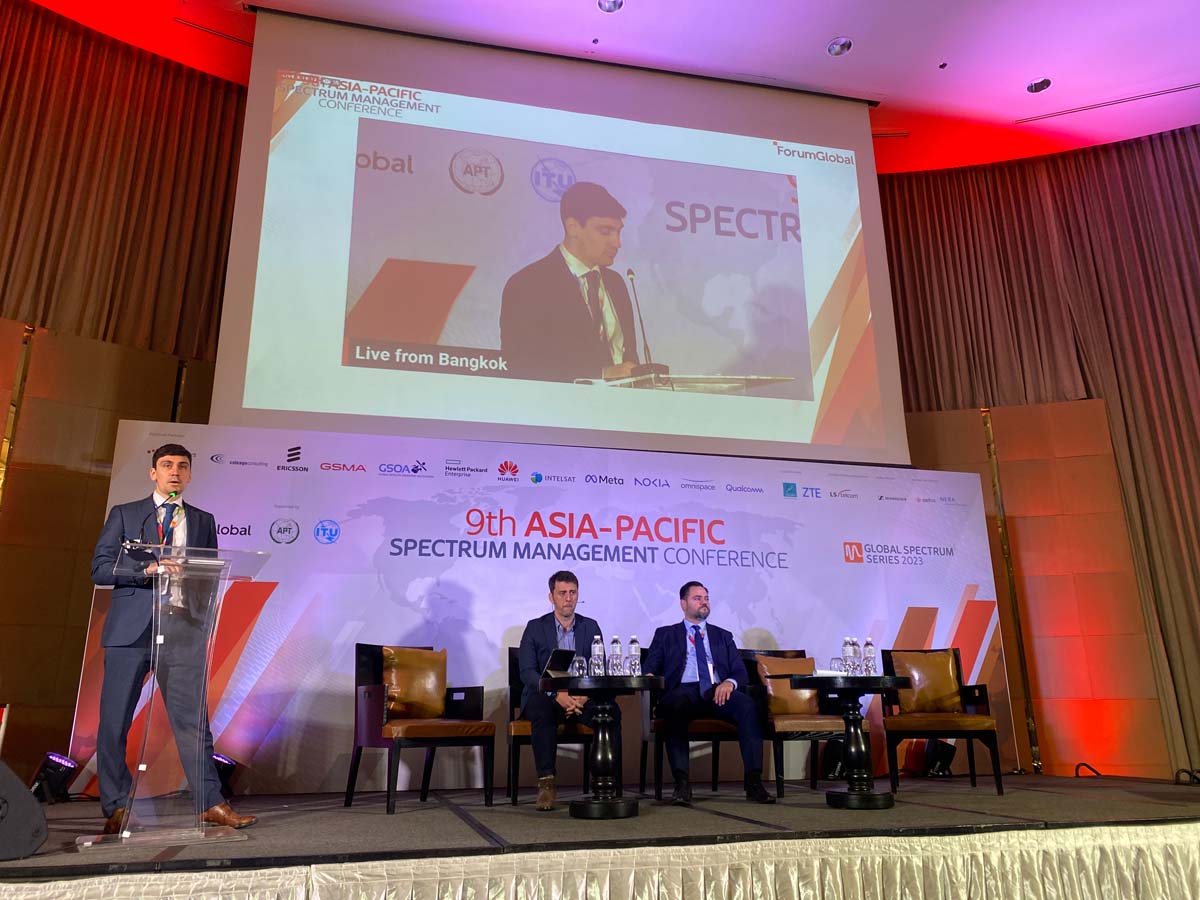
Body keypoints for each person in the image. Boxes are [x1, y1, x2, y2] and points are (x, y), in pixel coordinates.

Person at [90, 443, 256, 834]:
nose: (174, 471)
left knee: (193, 724)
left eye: (182, 466)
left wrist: (201, 617)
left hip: (182, 632)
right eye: (167, 465)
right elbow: (100, 568)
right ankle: (117, 806)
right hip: (131, 633)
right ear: (154, 473)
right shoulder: (126, 514)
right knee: (114, 722)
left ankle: (210, 803)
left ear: (190, 474)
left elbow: (208, 575)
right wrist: (148, 569)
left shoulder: (202, 520)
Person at [644, 581, 774, 805]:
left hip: (717, 691)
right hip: (683, 691)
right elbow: (650, 668)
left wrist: (729, 683)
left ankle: (754, 783)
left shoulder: (723, 636)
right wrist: (648, 676)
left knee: (747, 706)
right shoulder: (666, 634)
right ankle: (682, 784)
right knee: (675, 706)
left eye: (706, 598)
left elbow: (739, 671)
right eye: (697, 598)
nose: (704, 602)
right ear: (683, 604)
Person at [500, 181, 640, 383]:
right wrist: (600, 374)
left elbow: (627, 357)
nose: (617, 243)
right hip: (558, 402)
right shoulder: (527, 284)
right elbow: (521, 364)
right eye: (606, 232)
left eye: (619, 232)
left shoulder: (616, 283)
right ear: (573, 227)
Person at [516, 570, 616, 810]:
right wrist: (556, 695)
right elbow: (527, 672)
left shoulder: (590, 626)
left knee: (611, 711)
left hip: (582, 697)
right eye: (562, 593)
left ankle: (605, 781)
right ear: (551, 597)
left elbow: (599, 668)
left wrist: (584, 696)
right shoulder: (535, 627)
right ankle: (546, 784)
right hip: (547, 698)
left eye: (573, 592)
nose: (568, 598)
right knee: (542, 708)